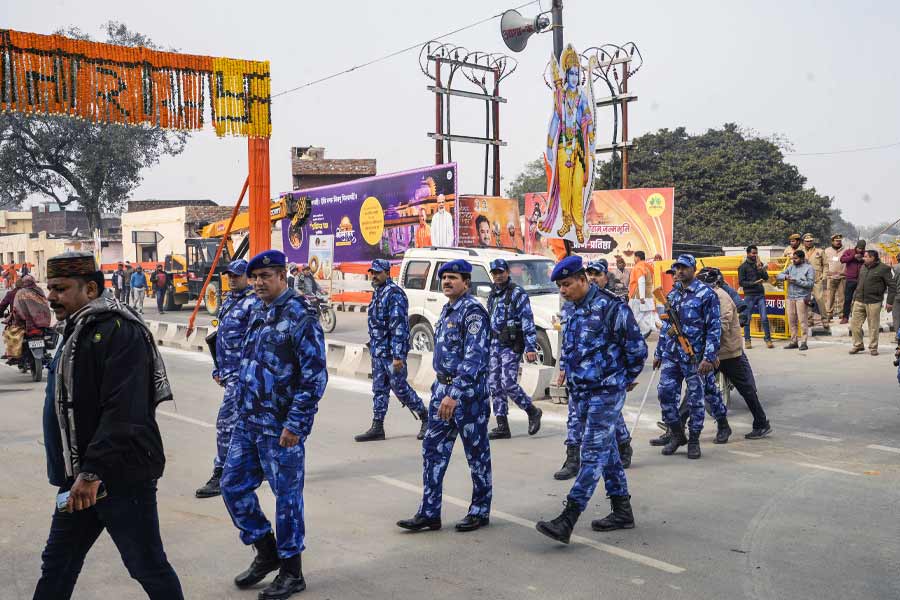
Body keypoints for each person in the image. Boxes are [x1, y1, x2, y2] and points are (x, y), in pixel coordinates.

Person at [34, 251, 183, 599]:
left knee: (146, 565)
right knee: (57, 564)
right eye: (50, 288)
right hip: (80, 476)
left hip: (119, 476)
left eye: (60, 289)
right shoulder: (77, 329)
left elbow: (125, 411)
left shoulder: (119, 331)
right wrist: (80, 474)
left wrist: (92, 473)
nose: (52, 297)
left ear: (90, 289)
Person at [220, 249, 327, 599]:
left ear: (282, 276)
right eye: (254, 277)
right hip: (249, 421)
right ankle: (266, 551)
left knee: (287, 500)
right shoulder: (258, 311)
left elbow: (314, 377)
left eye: (266, 276)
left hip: (281, 428)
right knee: (232, 485)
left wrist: (296, 424)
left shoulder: (300, 315)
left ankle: (292, 572)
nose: (258, 283)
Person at [535, 255, 647, 544]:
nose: (563, 290)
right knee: (607, 452)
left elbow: (637, 350)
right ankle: (622, 511)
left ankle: (568, 517)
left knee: (592, 454)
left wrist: (622, 379)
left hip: (606, 392)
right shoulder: (571, 309)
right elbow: (571, 347)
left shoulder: (611, 308)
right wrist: (565, 372)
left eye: (567, 284)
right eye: (560, 286)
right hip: (581, 392)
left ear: (583, 279)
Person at [396, 259, 492, 533]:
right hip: (442, 391)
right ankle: (429, 512)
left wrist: (455, 394)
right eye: (445, 277)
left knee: (477, 455)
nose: (447, 282)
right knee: (433, 450)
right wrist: (442, 391)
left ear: (466, 282)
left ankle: (480, 511)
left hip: (466, 395)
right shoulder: (448, 309)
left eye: (453, 277)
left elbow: (474, 357)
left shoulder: (472, 312)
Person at [195, 259, 260, 499]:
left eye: (236, 276)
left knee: (225, 424)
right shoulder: (230, 301)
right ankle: (259, 465)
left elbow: (256, 343)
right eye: (229, 276)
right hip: (229, 373)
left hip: (243, 377)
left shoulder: (253, 303)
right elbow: (222, 338)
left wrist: (243, 373)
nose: (232, 279)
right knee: (250, 423)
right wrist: (218, 368)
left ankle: (221, 473)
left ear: (248, 278)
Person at [654, 254, 730, 459]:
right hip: (672, 354)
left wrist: (709, 356)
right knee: (665, 393)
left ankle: (695, 439)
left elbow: (714, 328)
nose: (679, 271)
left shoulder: (706, 294)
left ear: (693, 270)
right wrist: (659, 352)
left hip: (695, 356)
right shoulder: (672, 294)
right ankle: (677, 434)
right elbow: (666, 326)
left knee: (698, 399)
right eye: (677, 268)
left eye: (684, 268)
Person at [355, 259, 428, 442]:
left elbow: (399, 327)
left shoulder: (394, 294)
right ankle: (377, 427)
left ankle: (426, 417)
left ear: (387, 273)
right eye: (372, 272)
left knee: (400, 388)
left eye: (378, 272)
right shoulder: (378, 292)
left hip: (391, 354)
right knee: (379, 389)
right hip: (378, 351)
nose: (374, 276)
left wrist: (398, 355)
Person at [698, 268, 772, 439]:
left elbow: (721, 326)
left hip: (728, 352)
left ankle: (761, 422)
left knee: (746, 388)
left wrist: (708, 348)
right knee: (697, 386)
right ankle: (677, 427)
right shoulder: (705, 296)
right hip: (715, 351)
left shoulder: (721, 296)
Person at [485, 258, 543, 440]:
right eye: (495, 273)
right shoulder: (493, 294)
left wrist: (530, 346)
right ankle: (502, 425)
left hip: (511, 345)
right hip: (494, 344)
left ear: (507, 272)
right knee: (494, 384)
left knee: (508, 383)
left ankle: (532, 411)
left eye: (501, 272)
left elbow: (527, 319)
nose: (498, 276)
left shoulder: (517, 293)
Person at [849, 249, 896, 356]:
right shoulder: (863, 267)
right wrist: (854, 298)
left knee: (873, 326)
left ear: (872, 258)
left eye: (866, 257)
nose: (863, 258)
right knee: (854, 324)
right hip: (859, 300)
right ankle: (858, 345)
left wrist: (890, 302)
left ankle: (873, 347)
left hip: (874, 301)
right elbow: (859, 283)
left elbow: (892, 286)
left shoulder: (884, 268)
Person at [776, 250, 815, 351]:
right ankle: (794, 341)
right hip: (790, 297)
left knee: (802, 321)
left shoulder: (809, 268)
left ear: (802, 258)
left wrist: (797, 281)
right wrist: (785, 277)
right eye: (793, 258)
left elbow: (810, 284)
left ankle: (804, 342)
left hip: (802, 297)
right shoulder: (791, 267)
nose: (794, 260)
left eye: (796, 258)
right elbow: (778, 275)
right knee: (791, 320)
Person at [738, 245, 774, 349]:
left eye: (756, 253)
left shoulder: (759, 265)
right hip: (749, 295)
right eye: (753, 253)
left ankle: (768, 339)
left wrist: (760, 268)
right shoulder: (743, 267)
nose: (755, 255)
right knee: (747, 318)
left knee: (764, 318)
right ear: (748, 253)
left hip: (760, 294)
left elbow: (766, 277)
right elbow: (741, 282)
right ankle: (747, 340)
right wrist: (754, 283)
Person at [628, 250, 658, 338]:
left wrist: (641, 297)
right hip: (648, 295)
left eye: (634, 257)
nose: (634, 259)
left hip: (638, 296)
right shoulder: (648, 267)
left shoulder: (639, 267)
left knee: (635, 316)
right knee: (644, 315)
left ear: (637, 257)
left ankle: (636, 334)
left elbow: (641, 281)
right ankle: (643, 332)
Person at [802, 234, 828, 330]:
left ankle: (825, 320)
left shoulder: (820, 251)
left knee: (820, 299)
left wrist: (824, 276)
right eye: (807, 241)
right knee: (807, 300)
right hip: (805, 280)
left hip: (817, 279)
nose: (809, 242)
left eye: (810, 241)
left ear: (813, 241)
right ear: (804, 242)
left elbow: (825, 265)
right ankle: (809, 320)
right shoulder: (800, 252)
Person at [840, 240, 866, 324]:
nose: (860, 250)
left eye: (862, 249)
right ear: (856, 246)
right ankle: (845, 317)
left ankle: (860, 318)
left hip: (862, 280)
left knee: (861, 299)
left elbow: (872, 261)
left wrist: (863, 259)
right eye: (859, 248)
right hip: (850, 279)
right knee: (848, 299)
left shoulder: (866, 254)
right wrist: (853, 257)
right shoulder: (849, 251)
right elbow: (842, 259)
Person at [823, 234, 846, 324]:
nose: (838, 242)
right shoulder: (827, 251)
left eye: (839, 241)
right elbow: (824, 263)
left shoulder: (845, 250)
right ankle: (829, 314)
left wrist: (844, 272)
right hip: (831, 276)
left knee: (842, 296)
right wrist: (826, 273)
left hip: (842, 276)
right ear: (832, 241)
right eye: (836, 241)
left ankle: (842, 314)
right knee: (830, 296)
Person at [891, 253, 900, 336]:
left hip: (897, 295)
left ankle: (898, 336)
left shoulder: (894, 268)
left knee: (897, 317)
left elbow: (891, 283)